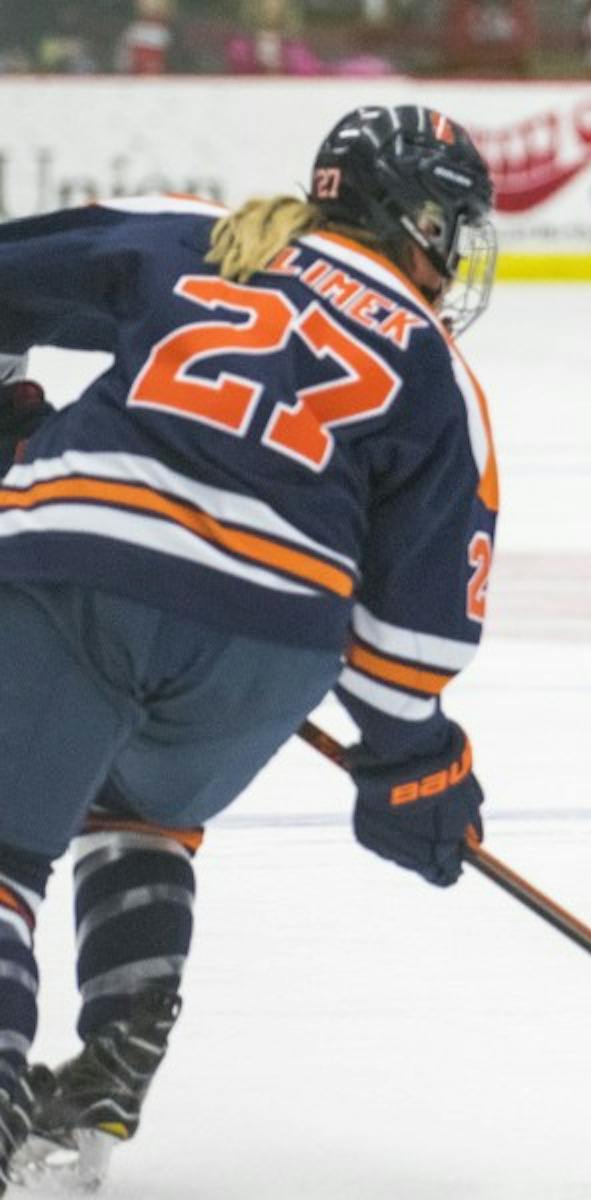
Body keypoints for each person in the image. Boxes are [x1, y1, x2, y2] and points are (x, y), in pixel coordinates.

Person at [0, 104, 499, 1192]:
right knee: (143, 814)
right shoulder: (435, 364)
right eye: (449, 225)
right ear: (408, 217)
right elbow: (413, 624)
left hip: (87, 566)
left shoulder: (203, 235)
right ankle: (104, 1078)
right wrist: (411, 762)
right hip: (274, 649)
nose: (455, 253)